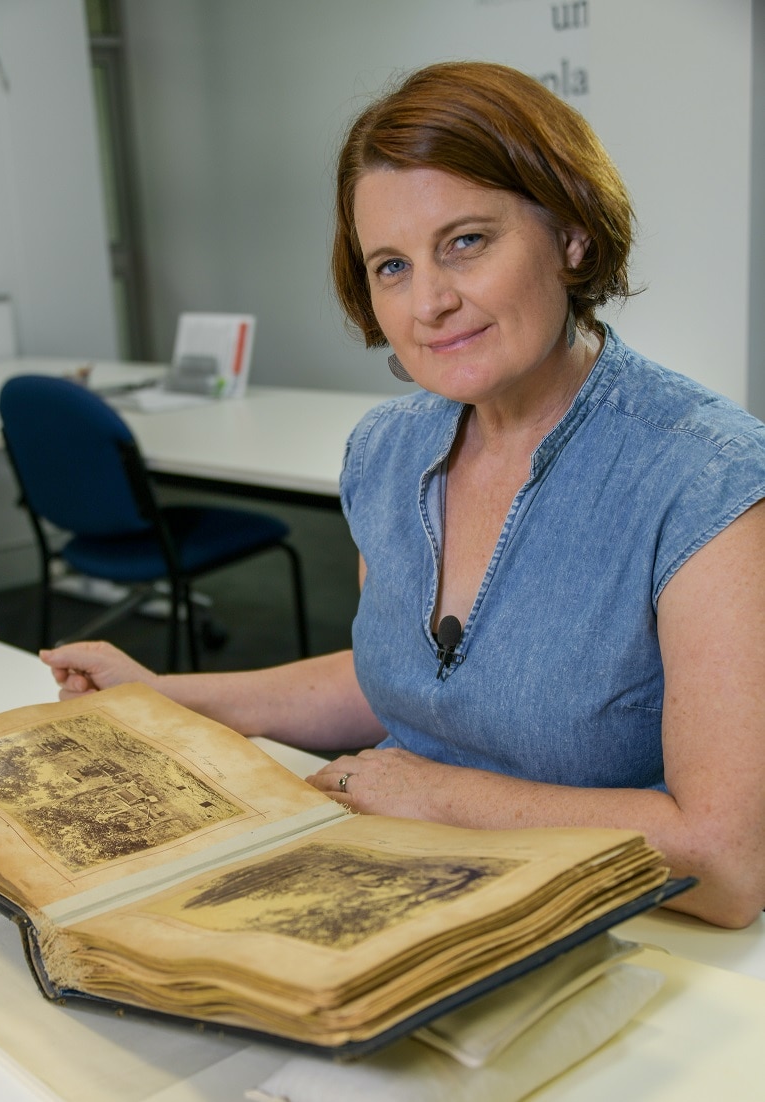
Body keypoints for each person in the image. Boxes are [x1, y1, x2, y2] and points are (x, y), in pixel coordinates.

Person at [41, 61, 765, 929]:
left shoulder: (705, 479)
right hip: (398, 885)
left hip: (615, 934)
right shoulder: (387, 452)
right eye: (391, 265)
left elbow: (726, 864)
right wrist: (164, 694)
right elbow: (398, 681)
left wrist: (436, 794)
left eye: (466, 241)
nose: (430, 302)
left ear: (571, 235)